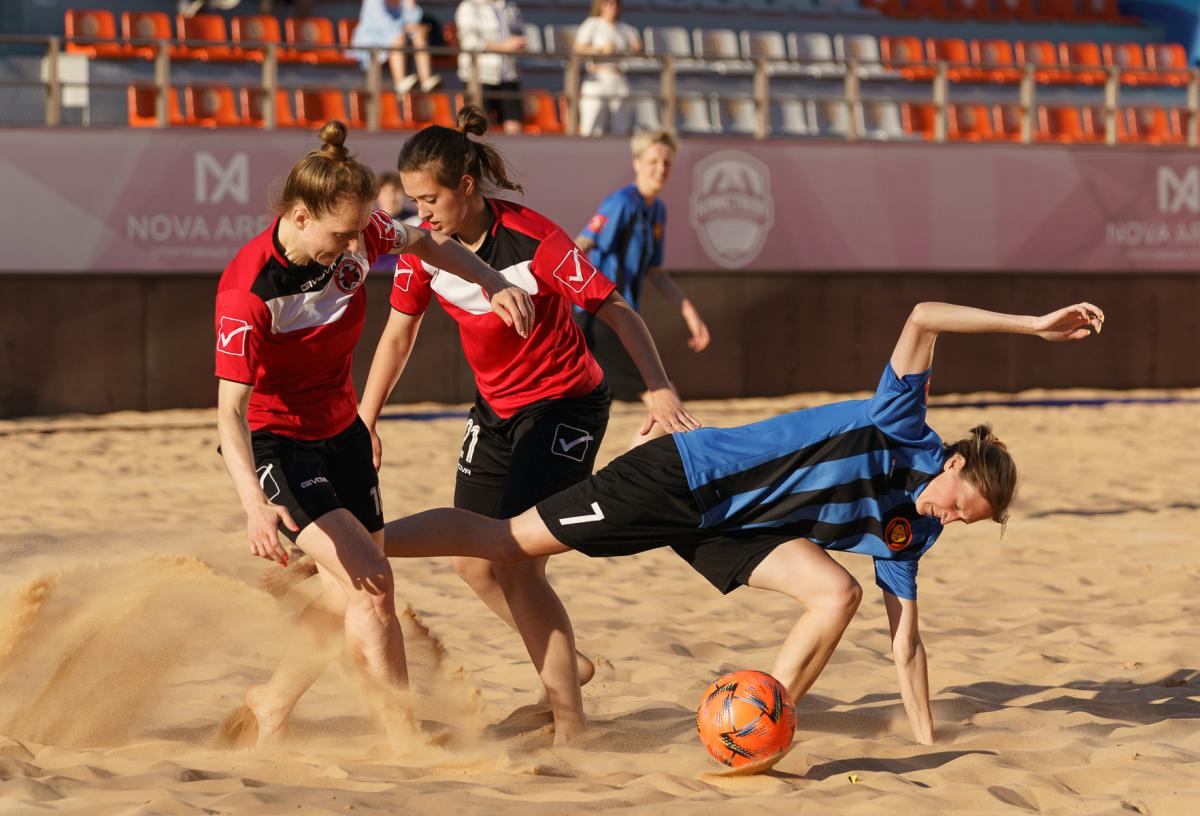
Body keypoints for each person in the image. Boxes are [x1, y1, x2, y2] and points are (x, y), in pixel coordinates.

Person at [376, 300, 1105, 745]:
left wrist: (924, 740)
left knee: (839, 594)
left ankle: (758, 723)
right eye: (961, 505)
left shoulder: (912, 534)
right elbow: (921, 316)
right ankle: (362, 544)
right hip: (682, 477)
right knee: (506, 544)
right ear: (953, 464)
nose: (953, 520)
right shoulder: (901, 421)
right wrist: (1032, 326)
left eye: (967, 523)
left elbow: (906, 642)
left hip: (733, 528)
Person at [215, 120, 532, 746]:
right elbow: (229, 414)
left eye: (361, 230)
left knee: (346, 592)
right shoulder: (248, 292)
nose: (354, 245)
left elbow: (431, 244)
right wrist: (254, 505)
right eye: (340, 234)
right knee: (374, 583)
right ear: (299, 216)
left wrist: (493, 282)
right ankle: (402, 734)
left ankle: (272, 703)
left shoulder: (362, 235)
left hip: (345, 435)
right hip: (282, 445)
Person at [575, 129, 709, 446]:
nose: (660, 169)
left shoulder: (657, 210)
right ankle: (624, 469)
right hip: (599, 318)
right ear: (636, 163)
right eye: (653, 161)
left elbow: (656, 272)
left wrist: (689, 312)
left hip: (621, 318)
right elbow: (580, 245)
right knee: (667, 405)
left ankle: (620, 469)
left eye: (666, 163)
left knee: (654, 407)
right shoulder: (622, 202)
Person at [455, 0, 526, 135]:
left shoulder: (510, 6)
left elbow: (519, 33)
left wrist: (519, 43)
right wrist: (504, 47)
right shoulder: (469, 6)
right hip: (480, 76)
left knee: (514, 126)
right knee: (477, 128)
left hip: (508, 74)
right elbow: (469, 42)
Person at [572, 0, 642, 137]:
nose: (612, 7)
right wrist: (600, 50)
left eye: (615, 4)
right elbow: (578, 48)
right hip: (597, 78)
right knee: (591, 126)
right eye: (607, 3)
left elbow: (637, 47)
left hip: (618, 78)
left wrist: (636, 48)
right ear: (600, 5)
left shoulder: (624, 28)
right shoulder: (592, 24)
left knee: (621, 127)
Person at [350, 0, 443, 96]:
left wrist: (411, 6)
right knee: (398, 37)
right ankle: (400, 84)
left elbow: (414, 20)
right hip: (374, 38)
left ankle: (426, 80)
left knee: (418, 34)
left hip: (397, 35)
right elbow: (383, 23)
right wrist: (406, 28)